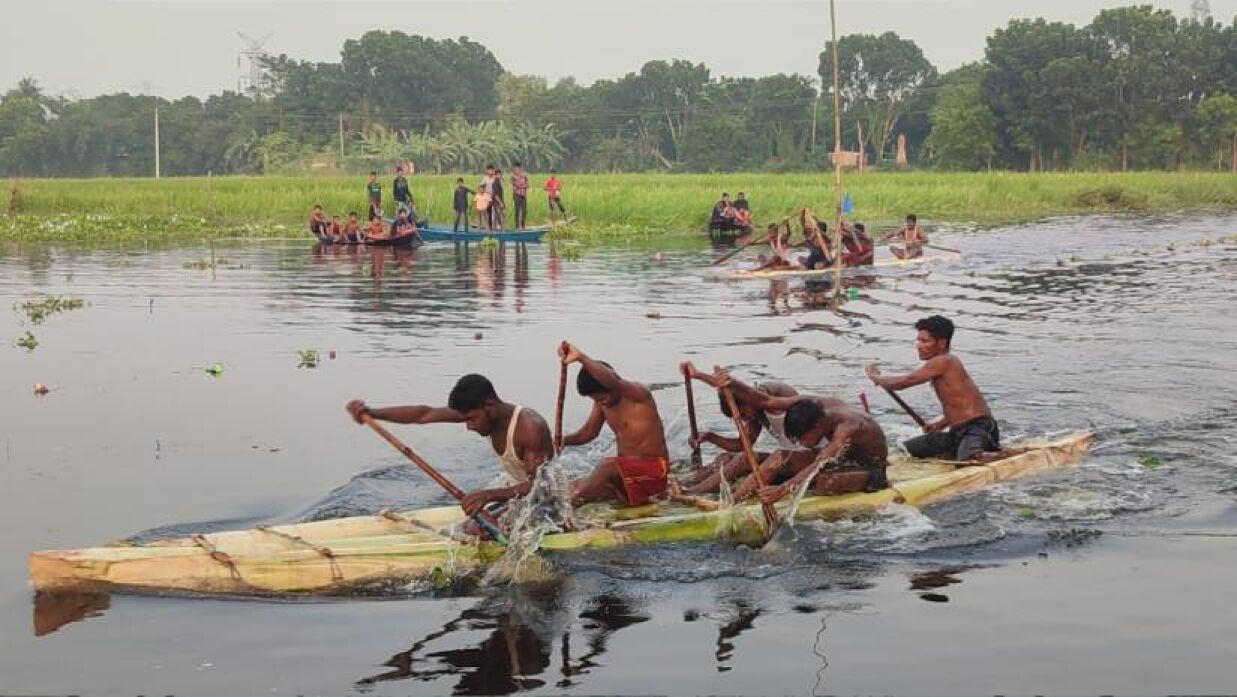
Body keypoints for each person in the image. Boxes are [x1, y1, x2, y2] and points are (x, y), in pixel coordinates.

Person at [345, 374, 554, 517]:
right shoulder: (480, 411)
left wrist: (487, 496)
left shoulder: (529, 427)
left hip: (546, 502)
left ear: (490, 405)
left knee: (474, 530)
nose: (468, 426)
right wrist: (372, 413)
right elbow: (423, 414)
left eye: (471, 419)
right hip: (519, 494)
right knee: (470, 525)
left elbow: (539, 486)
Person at [866, 315, 1007, 464]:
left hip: (978, 428)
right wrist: (940, 425)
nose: (918, 345)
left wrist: (876, 378)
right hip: (957, 432)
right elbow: (959, 404)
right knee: (906, 451)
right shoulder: (942, 365)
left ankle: (1007, 455)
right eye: (918, 340)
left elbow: (906, 381)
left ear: (941, 343)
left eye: (925, 341)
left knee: (968, 461)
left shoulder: (944, 361)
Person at [559, 341, 670, 506]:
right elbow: (589, 432)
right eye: (596, 400)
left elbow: (612, 381)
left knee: (607, 466)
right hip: (627, 475)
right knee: (572, 486)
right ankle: (542, 509)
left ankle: (563, 512)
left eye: (603, 397)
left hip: (655, 472)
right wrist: (564, 440)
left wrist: (581, 358)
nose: (601, 402)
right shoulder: (602, 403)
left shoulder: (637, 395)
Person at [679, 363, 816, 496]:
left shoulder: (774, 395)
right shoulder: (755, 410)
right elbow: (742, 444)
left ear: (747, 400)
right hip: (789, 461)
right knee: (725, 459)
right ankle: (684, 483)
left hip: (810, 461)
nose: (744, 420)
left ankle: (691, 493)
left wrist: (698, 375)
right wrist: (710, 437)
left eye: (743, 415)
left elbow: (746, 391)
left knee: (747, 459)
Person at [511, 163, 530, 230]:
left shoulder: (524, 176)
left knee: (524, 210)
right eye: (515, 168)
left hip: (523, 195)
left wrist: (523, 186)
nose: (516, 170)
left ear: (520, 168)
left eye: (517, 168)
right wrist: (523, 186)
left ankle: (523, 225)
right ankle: (517, 226)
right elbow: (516, 185)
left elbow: (528, 185)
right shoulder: (513, 176)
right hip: (517, 194)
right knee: (517, 210)